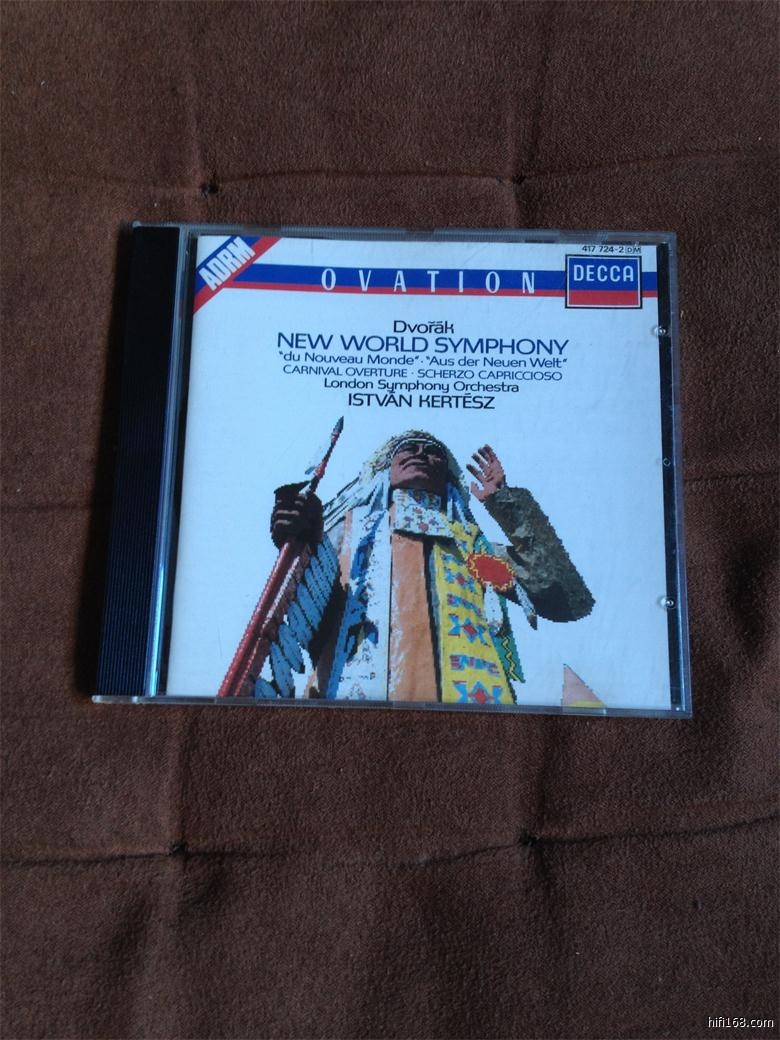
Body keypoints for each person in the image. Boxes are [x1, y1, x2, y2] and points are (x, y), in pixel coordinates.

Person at [269, 430, 593, 705]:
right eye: (408, 448)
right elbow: (298, 596)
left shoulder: (472, 547)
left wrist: (506, 503)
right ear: (385, 468)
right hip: (355, 709)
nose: (421, 453)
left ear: (447, 477)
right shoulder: (350, 532)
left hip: (466, 717)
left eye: (433, 452)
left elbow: (563, 597)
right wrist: (299, 534)